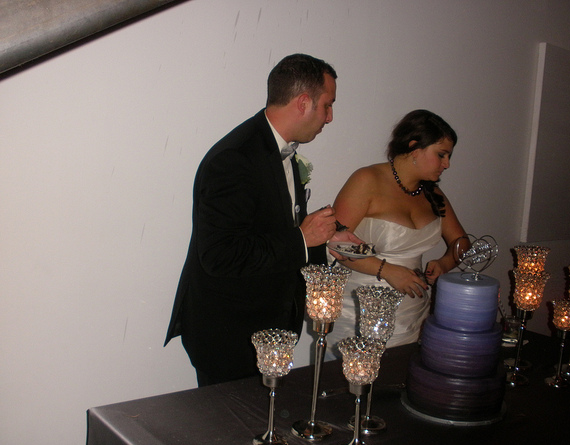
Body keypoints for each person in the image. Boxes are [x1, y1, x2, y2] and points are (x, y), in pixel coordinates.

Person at [165, 54, 356, 385]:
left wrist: (326, 240)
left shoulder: (279, 148)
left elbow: (272, 227)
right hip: (231, 337)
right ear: (303, 102)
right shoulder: (233, 159)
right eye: (327, 105)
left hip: (268, 328)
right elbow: (220, 255)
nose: (330, 117)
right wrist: (302, 238)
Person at [328, 109, 468, 354]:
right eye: (441, 155)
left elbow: (461, 241)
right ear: (414, 148)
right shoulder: (367, 179)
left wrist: (445, 263)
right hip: (361, 309)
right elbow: (335, 244)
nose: (447, 164)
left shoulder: (432, 194)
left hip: (413, 312)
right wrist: (387, 270)